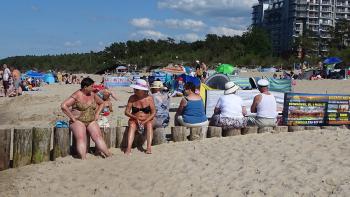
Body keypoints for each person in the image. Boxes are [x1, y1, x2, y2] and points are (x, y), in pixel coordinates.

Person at [61, 77, 111, 159]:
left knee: (98, 137)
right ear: (85, 87)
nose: (93, 88)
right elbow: (64, 106)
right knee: (81, 138)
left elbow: (102, 103)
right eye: (91, 86)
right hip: (78, 121)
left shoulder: (93, 94)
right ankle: (83, 158)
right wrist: (72, 117)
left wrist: (97, 114)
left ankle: (108, 154)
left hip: (91, 120)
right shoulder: (77, 95)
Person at [124, 79, 156, 155]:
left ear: (142, 90)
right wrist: (135, 118)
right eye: (135, 89)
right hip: (134, 119)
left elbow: (153, 112)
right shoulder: (132, 98)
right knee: (132, 126)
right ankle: (128, 148)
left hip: (147, 119)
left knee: (149, 125)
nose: (135, 90)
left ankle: (149, 147)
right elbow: (126, 112)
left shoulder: (149, 98)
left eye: (137, 89)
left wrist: (144, 121)